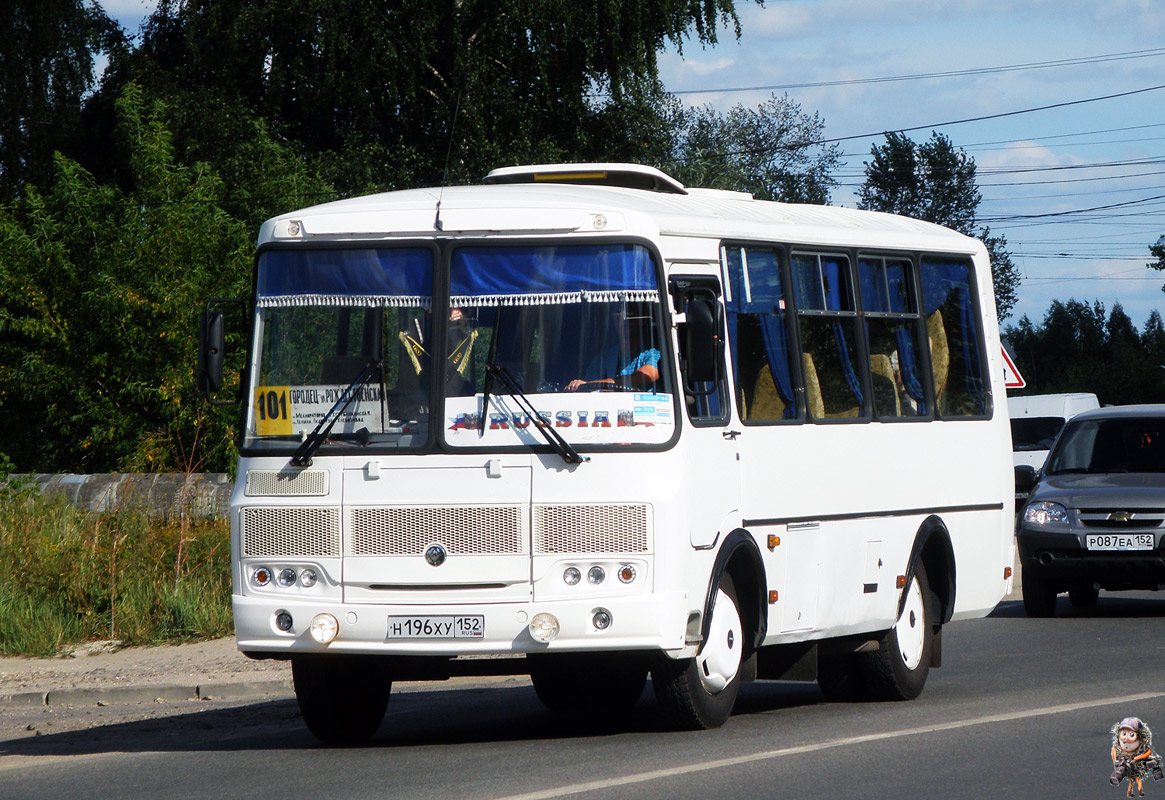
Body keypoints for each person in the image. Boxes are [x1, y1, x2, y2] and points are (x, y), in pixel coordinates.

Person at [567, 306, 660, 392]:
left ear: (642, 320)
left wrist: (589, 385)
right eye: (618, 315)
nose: (623, 320)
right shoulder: (600, 361)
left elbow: (643, 377)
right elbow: (588, 395)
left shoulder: (653, 354)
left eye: (630, 315)